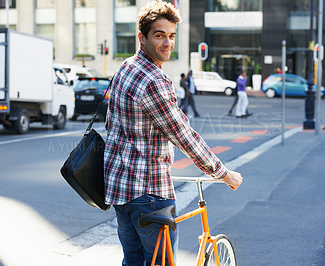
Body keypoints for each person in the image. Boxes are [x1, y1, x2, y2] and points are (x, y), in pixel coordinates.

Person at [104, 1, 243, 265]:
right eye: (159, 35)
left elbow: (112, 123)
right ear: (141, 37)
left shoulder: (125, 67)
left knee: (132, 262)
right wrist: (223, 173)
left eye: (171, 36)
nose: (167, 43)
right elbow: (183, 135)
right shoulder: (154, 80)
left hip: (120, 191)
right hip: (149, 194)